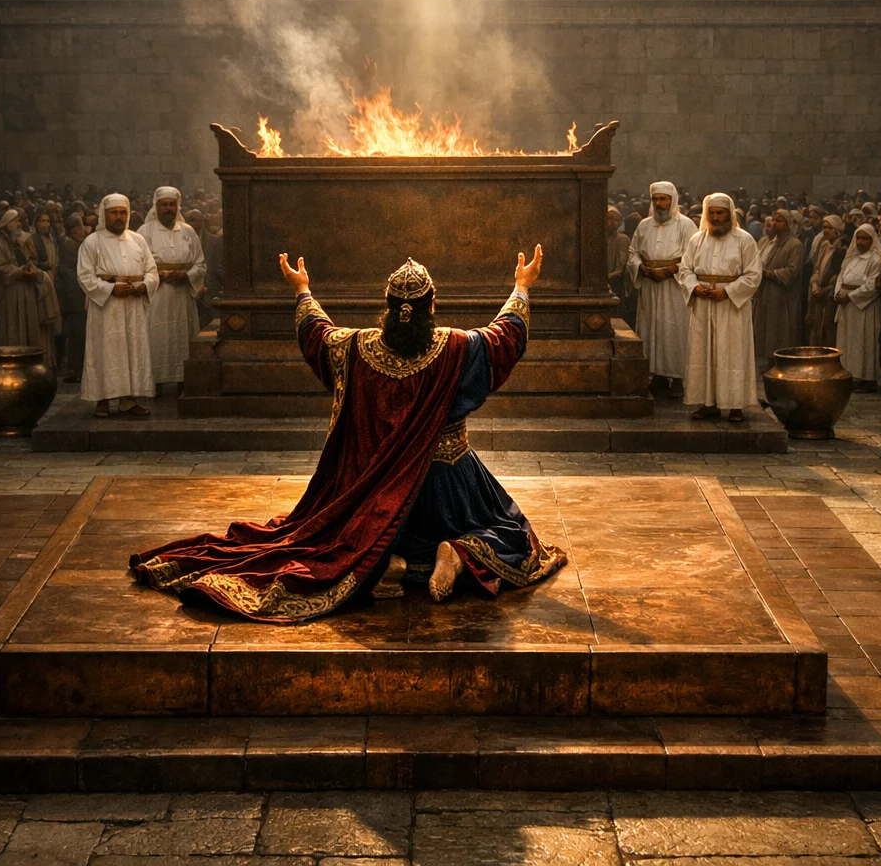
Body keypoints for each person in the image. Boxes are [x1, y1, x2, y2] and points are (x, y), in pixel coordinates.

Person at [128, 247, 565, 619]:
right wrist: (521, 286)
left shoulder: (355, 347)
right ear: (432, 306)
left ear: (388, 308)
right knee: (512, 536)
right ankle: (460, 553)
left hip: (377, 493)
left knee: (348, 536)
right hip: (450, 486)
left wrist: (302, 289)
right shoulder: (457, 347)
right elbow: (505, 337)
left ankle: (396, 557)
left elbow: (315, 333)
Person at [678, 193, 763, 423]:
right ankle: (708, 404)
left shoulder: (744, 240)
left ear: (729, 214)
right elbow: (685, 269)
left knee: (732, 354)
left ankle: (735, 405)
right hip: (703, 305)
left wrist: (727, 291)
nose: (716, 217)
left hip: (732, 307)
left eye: (720, 213)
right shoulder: (697, 240)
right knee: (704, 354)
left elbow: (753, 275)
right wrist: (695, 287)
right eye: (712, 213)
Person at [77, 194, 159, 418]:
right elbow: (85, 276)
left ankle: (128, 400)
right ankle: (102, 400)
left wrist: (143, 286)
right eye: (114, 212)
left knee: (132, 350)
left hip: (133, 306)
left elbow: (152, 271)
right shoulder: (92, 242)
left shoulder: (138, 240)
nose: (119, 217)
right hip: (106, 308)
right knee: (105, 351)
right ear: (104, 214)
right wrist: (111, 289)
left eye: (123, 212)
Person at [626, 181, 694, 396]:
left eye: (663, 199)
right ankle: (658, 376)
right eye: (655, 199)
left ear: (672, 200)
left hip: (674, 287)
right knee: (651, 329)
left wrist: (669, 270)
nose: (659, 203)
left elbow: (693, 257)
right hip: (649, 285)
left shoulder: (686, 225)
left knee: (674, 330)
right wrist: (641, 267)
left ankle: (678, 378)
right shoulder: (644, 225)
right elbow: (633, 252)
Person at [136, 186, 206, 393]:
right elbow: (137, 264)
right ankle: (154, 383)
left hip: (182, 297)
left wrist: (186, 275)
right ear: (156, 206)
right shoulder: (144, 232)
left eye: (172, 205)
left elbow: (200, 263)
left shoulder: (188, 231)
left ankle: (184, 381)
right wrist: (160, 275)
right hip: (157, 297)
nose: (168, 208)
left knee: (183, 338)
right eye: (164, 205)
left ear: (178, 206)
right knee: (156, 337)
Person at [833, 223, 881, 391]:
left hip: (863, 306)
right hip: (846, 306)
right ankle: (849, 374)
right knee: (847, 341)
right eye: (859, 238)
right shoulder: (851, 258)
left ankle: (867, 378)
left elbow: (872, 285)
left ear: (872, 240)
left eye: (865, 239)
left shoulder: (875, 260)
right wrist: (838, 293)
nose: (861, 242)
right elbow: (841, 276)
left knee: (864, 341)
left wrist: (850, 297)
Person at [752, 208, 804, 371]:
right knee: (768, 329)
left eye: (779, 221)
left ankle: (783, 365)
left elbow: (791, 272)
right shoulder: (772, 243)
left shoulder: (795, 245)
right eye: (773, 220)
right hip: (767, 295)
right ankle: (770, 362)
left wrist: (768, 273)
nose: (774, 223)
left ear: (788, 224)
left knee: (782, 330)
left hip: (783, 298)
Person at [0, 209, 40, 348]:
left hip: (23, 290)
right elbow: (0, 267)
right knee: (11, 328)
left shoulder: (17, 241)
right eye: (16, 221)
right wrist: (20, 271)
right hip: (8, 292)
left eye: (19, 221)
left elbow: (29, 260)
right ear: (7, 223)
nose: (19, 224)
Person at [22, 212, 62, 368]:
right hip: (39, 285)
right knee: (40, 324)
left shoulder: (52, 240)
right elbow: (29, 262)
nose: (46, 224)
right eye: (42, 221)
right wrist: (42, 270)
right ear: (35, 223)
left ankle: (50, 360)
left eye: (48, 221)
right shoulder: (31, 240)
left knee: (50, 327)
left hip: (51, 283)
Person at [806, 216, 845, 347]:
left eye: (829, 228)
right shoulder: (824, 246)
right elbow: (817, 268)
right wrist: (814, 285)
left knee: (828, 332)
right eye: (824, 227)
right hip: (818, 293)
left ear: (837, 230)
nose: (826, 230)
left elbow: (839, 276)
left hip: (830, 297)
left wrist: (825, 290)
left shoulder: (842, 249)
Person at [56, 215, 86, 381]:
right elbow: (67, 272)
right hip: (74, 296)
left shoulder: (75, 243)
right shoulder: (68, 244)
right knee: (76, 335)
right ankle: (75, 370)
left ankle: (78, 369)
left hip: (78, 295)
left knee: (79, 334)